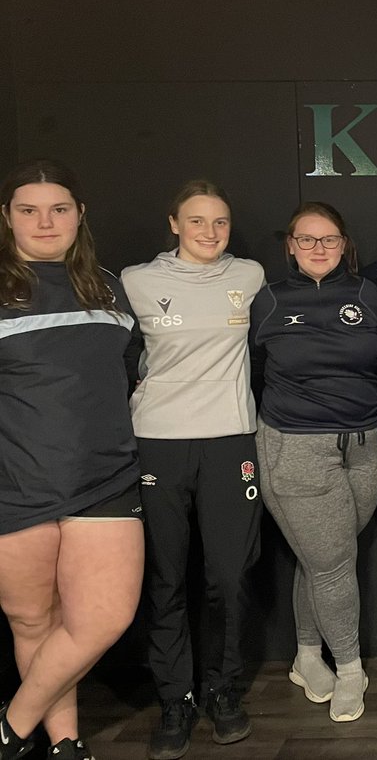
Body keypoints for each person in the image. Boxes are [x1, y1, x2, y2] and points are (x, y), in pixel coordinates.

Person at [0, 161, 144, 760]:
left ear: (79, 216)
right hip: (16, 485)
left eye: (58, 208)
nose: (44, 221)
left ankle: (10, 726)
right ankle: (64, 744)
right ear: (7, 218)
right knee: (36, 624)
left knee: (101, 619)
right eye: (28, 210)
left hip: (105, 478)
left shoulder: (108, 286)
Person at [122, 181, 265, 760]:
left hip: (231, 440)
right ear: (174, 224)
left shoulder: (249, 276)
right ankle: (175, 698)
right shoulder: (136, 282)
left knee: (229, 578)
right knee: (166, 578)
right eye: (198, 222)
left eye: (221, 223)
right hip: (158, 442)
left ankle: (223, 690)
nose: (210, 233)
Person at [250, 202, 377, 723]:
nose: (319, 249)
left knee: (328, 558)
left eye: (329, 239)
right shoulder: (269, 300)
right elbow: (249, 366)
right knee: (330, 565)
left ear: (345, 243)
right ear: (290, 245)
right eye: (307, 240)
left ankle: (307, 657)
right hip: (296, 447)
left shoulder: (368, 293)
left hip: (366, 445)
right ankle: (351, 670)